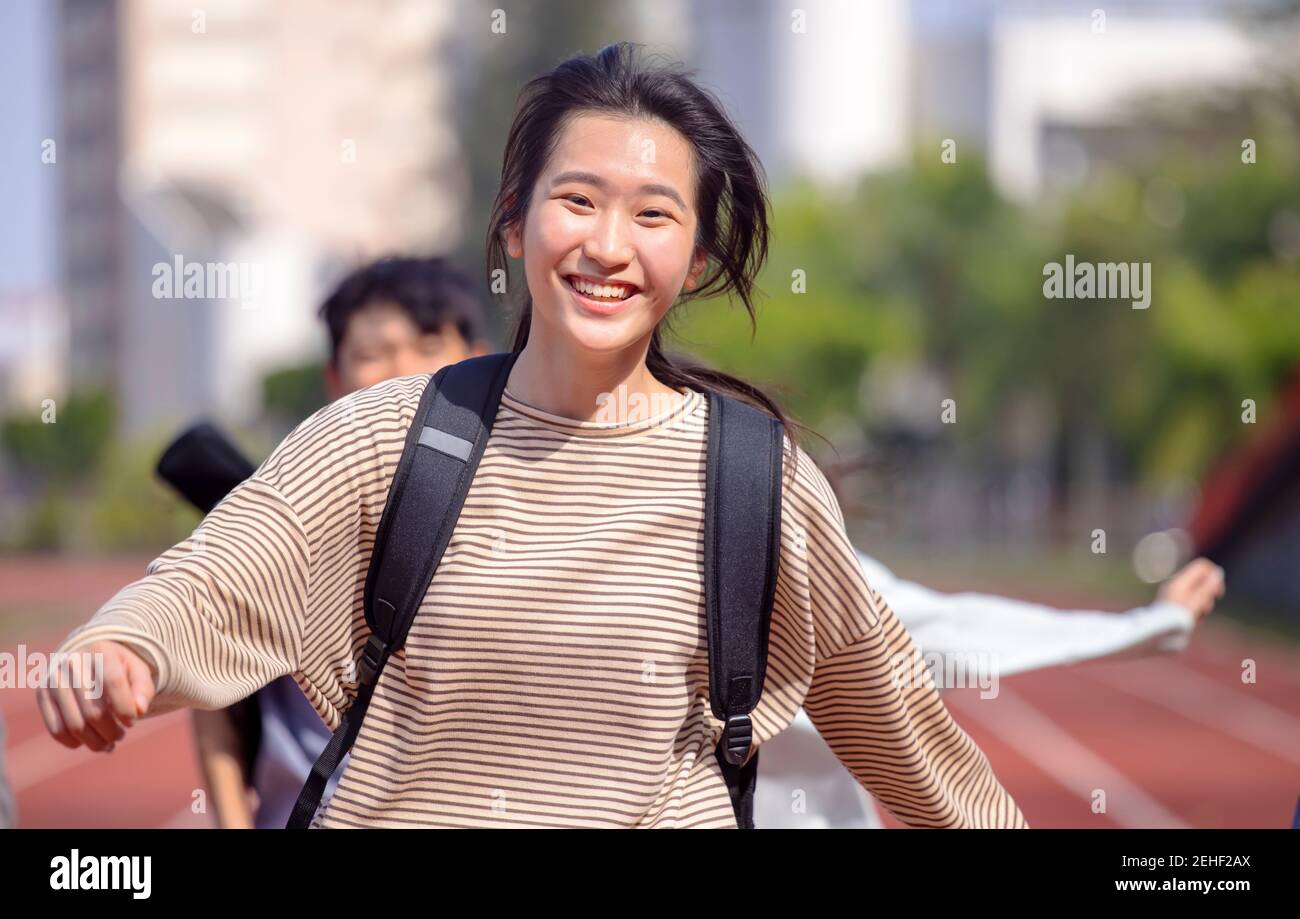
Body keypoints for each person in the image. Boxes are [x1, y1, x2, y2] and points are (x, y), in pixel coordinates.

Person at [36, 43, 1028, 828]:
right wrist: (119, 647)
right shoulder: (388, 439)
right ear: (514, 224)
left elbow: (905, 730)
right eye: (577, 200)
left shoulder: (755, 481)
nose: (607, 245)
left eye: (652, 213)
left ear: (693, 256)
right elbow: (210, 582)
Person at [191, 256, 490, 828]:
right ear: (334, 380)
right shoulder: (290, 518)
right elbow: (217, 687)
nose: (404, 372)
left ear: (479, 362)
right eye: (374, 353)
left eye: (429, 346)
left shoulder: (523, 512)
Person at [755, 552, 1225, 827]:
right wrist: (1157, 624)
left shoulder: (777, 548)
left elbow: (946, 629)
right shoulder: (789, 546)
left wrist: (1156, 625)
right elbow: (953, 629)